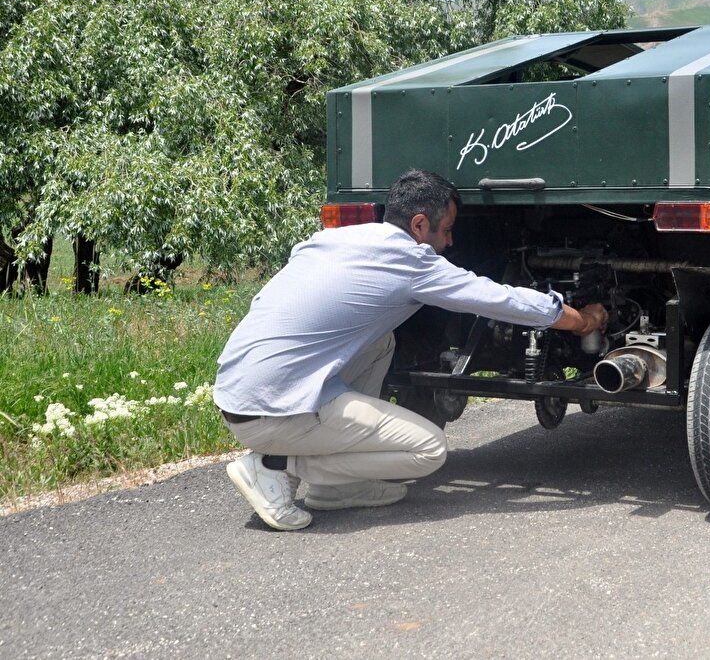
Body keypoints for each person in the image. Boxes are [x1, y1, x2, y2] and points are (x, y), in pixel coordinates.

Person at [214, 169, 608, 530]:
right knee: (428, 450)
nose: (452, 241)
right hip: (272, 411)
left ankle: (337, 489)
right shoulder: (410, 262)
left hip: (241, 390)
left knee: (382, 340)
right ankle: (274, 465)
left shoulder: (331, 239)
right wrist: (582, 320)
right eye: (448, 230)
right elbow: (498, 299)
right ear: (420, 224)